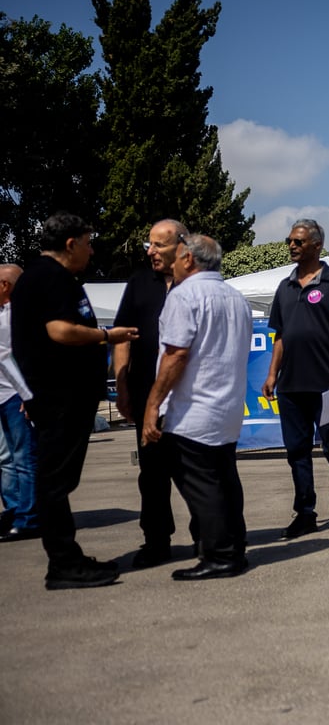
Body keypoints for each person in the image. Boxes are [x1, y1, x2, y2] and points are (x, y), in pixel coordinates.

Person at [10, 213, 138, 589]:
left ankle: (66, 556)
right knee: (54, 482)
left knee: (58, 481)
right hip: (59, 397)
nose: (92, 248)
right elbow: (60, 331)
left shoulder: (50, 277)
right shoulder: (49, 277)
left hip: (61, 396)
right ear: (70, 244)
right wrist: (107, 335)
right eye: (87, 241)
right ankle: (63, 564)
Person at [142, 235, 251, 581]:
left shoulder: (184, 296)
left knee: (201, 484)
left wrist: (153, 403)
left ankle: (220, 555)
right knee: (224, 480)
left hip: (194, 409)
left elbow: (176, 354)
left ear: (188, 260)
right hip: (227, 406)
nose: (170, 261)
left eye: (175, 256)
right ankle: (234, 548)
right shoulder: (237, 298)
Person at [262, 219, 329, 540]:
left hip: (328, 383)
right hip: (291, 386)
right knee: (297, 452)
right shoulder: (285, 286)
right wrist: (272, 374)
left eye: (299, 241)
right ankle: (305, 513)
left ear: (316, 245)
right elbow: (280, 336)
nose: (291, 245)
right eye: (289, 240)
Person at [112, 219, 190, 567]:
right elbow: (122, 337)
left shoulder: (195, 282)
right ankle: (156, 540)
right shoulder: (140, 283)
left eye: (158, 245)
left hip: (191, 398)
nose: (151, 252)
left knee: (194, 471)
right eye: (149, 245)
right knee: (153, 475)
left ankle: (209, 536)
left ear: (181, 245)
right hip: (148, 396)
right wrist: (123, 387)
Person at [0, 264, 37, 541]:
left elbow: (28, 358)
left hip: (15, 396)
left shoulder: (18, 316)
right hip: (6, 395)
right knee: (7, 459)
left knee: (24, 459)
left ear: (4, 286)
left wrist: (28, 394)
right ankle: (15, 510)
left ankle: (28, 517)